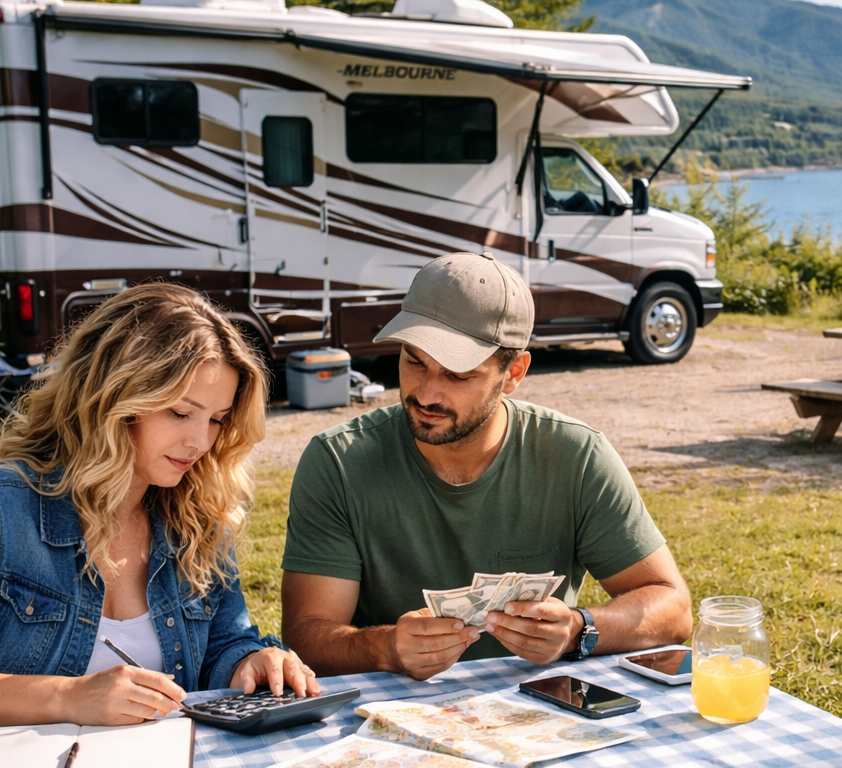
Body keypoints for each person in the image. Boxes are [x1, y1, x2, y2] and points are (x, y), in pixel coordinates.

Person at [0, 284, 318, 736]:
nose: (200, 441)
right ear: (112, 398)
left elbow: (223, 645)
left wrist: (250, 661)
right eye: (180, 412)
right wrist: (66, 698)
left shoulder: (197, 517)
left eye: (216, 419)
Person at [281, 252, 693, 680]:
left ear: (513, 372)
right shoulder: (339, 461)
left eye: (457, 375)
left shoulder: (575, 455)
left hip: (539, 713)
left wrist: (580, 628)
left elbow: (673, 609)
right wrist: (383, 647)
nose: (425, 393)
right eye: (413, 360)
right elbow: (305, 637)